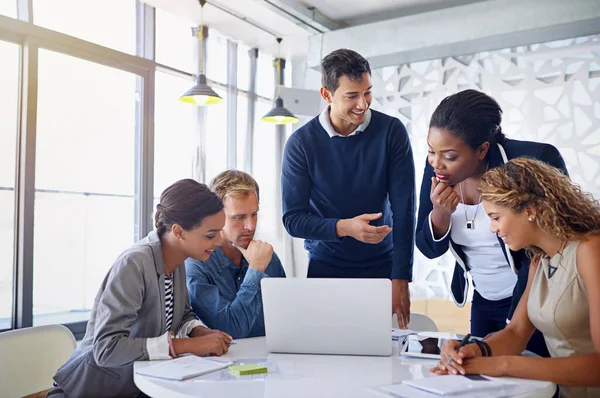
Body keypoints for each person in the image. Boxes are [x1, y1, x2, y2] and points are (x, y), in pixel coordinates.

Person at [415, 89, 567, 356]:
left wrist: (513, 326)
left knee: (534, 385)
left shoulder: (533, 162)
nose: (437, 163)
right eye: (430, 151)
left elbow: (550, 245)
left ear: (482, 149)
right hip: (483, 300)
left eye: (450, 156)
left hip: (532, 299)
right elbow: (428, 248)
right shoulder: (438, 168)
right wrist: (440, 212)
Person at [47, 179, 233, 398]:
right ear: (178, 231)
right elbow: (107, 348)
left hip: (137, 388)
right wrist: (186, 345)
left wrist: (201, 332)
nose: (220, 241)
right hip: (88, 391)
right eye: (211, 235)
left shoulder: (177, 260)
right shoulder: (134, 263)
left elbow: (181, 314)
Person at [432, 158, 600, 398]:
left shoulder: (590, 250)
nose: (493, 229)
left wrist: (504, 365)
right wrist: (471, 351)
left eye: (496, 217)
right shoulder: (538, 261)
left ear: (530, 211)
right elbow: (516, 333)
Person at [281, 49, 416, 328]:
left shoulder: (391, 132)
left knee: (381, 358)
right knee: (326, 358)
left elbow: (404, 210)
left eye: (367, 92)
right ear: (327, 94)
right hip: (325, 267)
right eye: (351, 96)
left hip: (382, 266)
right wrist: (346, 227)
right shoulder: (301, 144)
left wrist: (401, 278)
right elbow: (293, 220)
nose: (363, 104)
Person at [186, 170, 286, 339]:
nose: (251, 226)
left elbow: (287, 319)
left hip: (269, 357)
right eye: (239, 217)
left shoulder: (267, 256)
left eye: (254, 214)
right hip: (223, 361)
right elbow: (231, 331)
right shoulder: (197, 262)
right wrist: (256, 269)